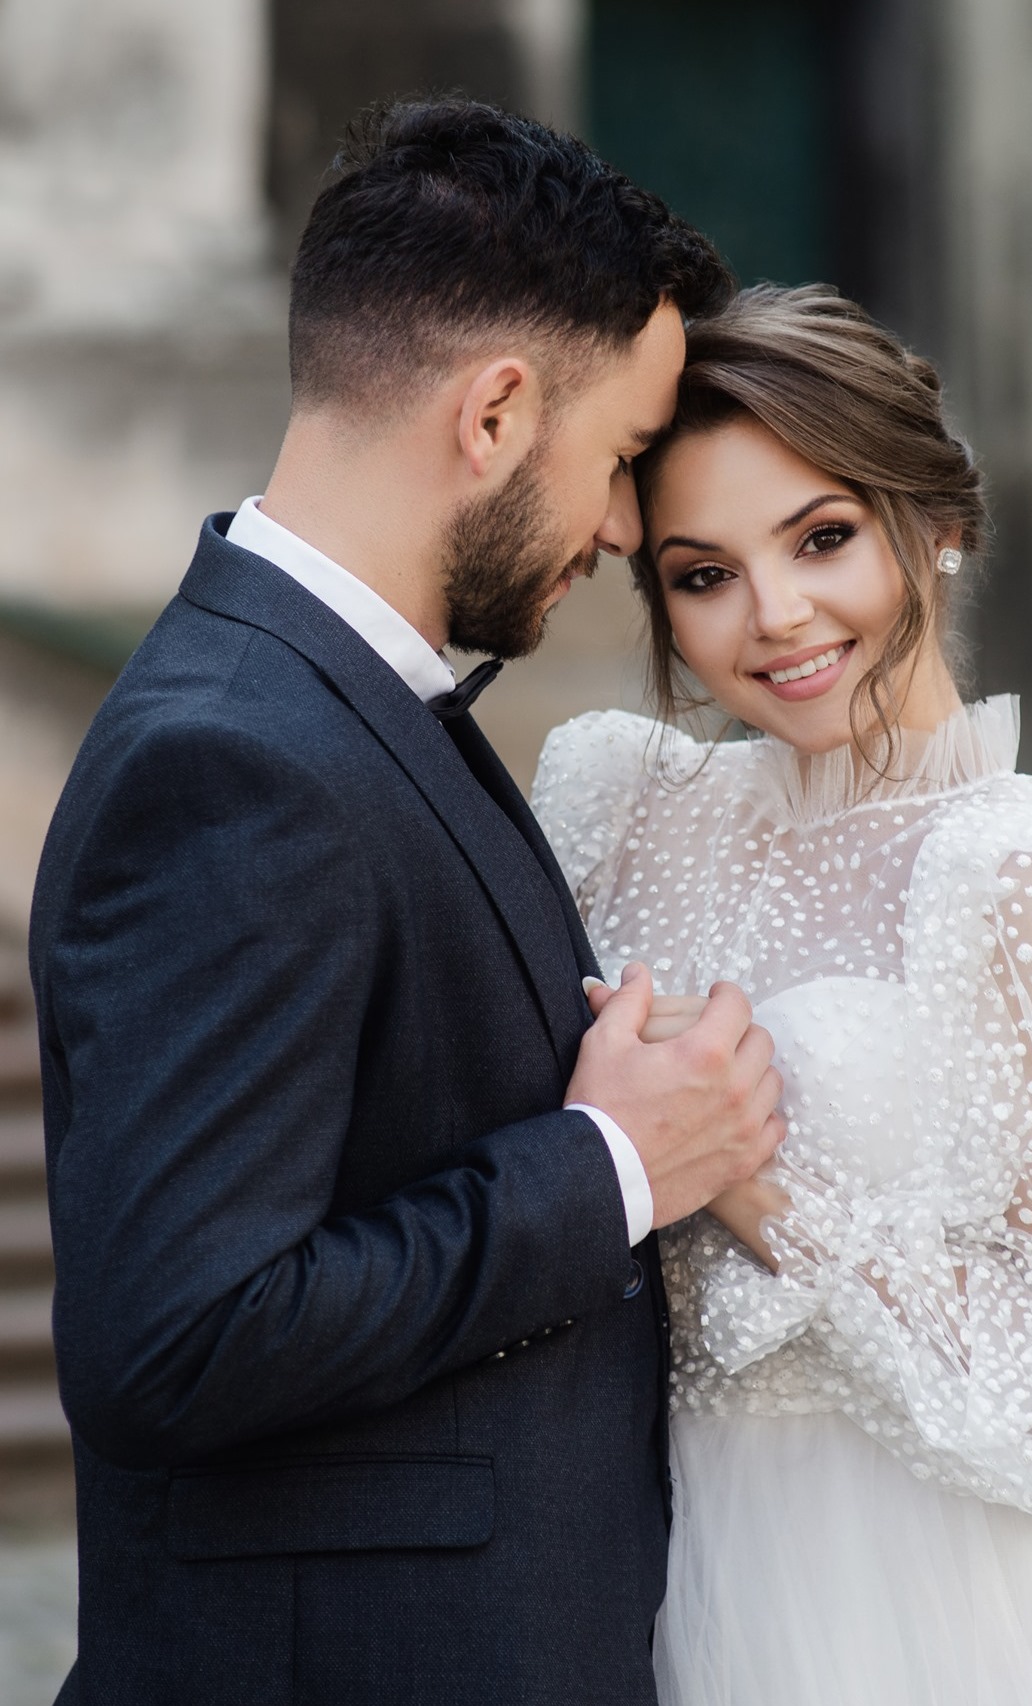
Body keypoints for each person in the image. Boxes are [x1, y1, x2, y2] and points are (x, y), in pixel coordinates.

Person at [29, 99, 787, 1705]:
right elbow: (178, 1337)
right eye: (625, 459)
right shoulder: (238, 758)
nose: (623, 530)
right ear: (499, 411)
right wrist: (610, 1165)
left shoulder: (346, 703)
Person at [531, 283, 1032, 1706]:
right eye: (700, 573)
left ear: (938, 525)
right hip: (642, 1560)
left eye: (823, 538)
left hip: (950, 1598)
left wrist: (749, 1180)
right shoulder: (622, 805)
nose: (774, 618)